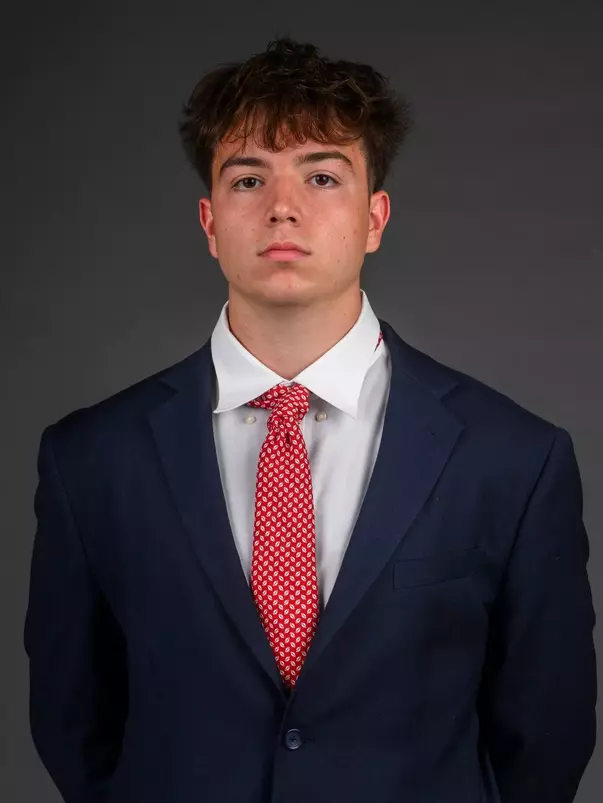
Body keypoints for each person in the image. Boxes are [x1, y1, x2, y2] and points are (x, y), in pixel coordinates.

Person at [24, 36, 596, 803]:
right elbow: (73, 720)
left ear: (374, 217)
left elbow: (546, 734)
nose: (282, 206)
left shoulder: (512, 459)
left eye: (322, 176)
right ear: (208, 222)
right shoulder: (91, 459)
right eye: (247, 178)